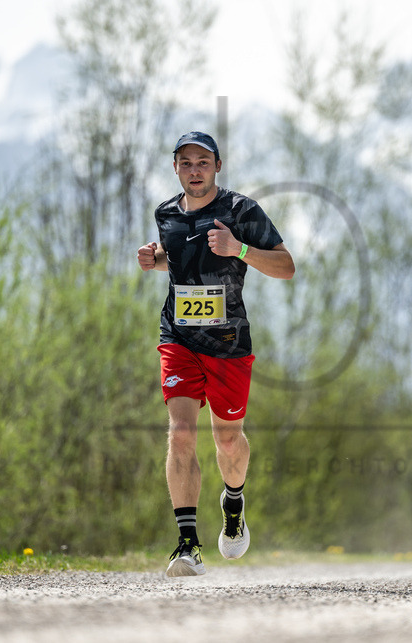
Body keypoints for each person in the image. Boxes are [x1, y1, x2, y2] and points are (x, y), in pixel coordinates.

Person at [137, 131, 295, 577]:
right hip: (178, 338)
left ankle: (233, 502)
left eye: (202, 162)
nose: (194, 170)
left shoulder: (241, 211)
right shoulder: (165, 212)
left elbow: (286, 266)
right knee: (182, 433)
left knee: (228, 441)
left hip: (228, 345)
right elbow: (182, 257)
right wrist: (156, 259)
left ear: (217, 166)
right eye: (185, 162)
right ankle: (187, 545)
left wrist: (239, 248)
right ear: (175, 168)